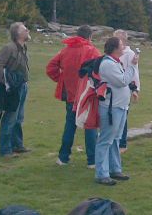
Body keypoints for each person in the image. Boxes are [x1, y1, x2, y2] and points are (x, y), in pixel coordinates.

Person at [46, 25, 101, 168]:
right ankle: (92, 160)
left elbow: (51, 67)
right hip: (86, 95)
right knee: (90, 127)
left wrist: (61, 79)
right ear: (89, 37)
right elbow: (100, 71)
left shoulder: (65, 50)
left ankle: (63, 157)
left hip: (70, 95)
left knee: (70, 125)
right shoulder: (92, 51)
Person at [95, 37, 138, 185]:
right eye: (121, 45)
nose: (124, 47)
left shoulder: (114, 62)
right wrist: (132, 66)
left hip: (119, 107)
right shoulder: (108, 64)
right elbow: (122, 81)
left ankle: (115, 169)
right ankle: (102, 174)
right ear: (114, 48)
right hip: (111, 109)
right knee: (106, 139)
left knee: (115, 139)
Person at [0, 22, 30, 158]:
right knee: (10, 118)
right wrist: (7, 82)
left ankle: (17, 145)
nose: (28, 31)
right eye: (25, 29)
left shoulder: (23, 47)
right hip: (12, 89)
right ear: (18, 34)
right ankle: (5, 150)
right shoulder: (9, 48)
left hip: (22, 86)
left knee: (19, 118)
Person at [113, 30, 140, 154]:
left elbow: (134, 71)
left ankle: (122, 144)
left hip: (126, 89)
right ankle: (113, 140)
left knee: (123, 116)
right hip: (114, 89)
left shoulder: (130, 54)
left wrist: (135, 90)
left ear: (123, 40)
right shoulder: (114, 53)